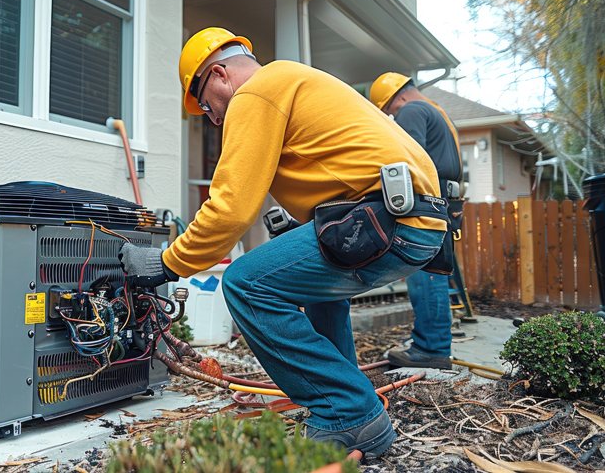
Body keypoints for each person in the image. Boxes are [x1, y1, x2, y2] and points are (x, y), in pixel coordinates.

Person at [118, 27, 449, 458]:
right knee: (318, 293)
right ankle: (347, 395)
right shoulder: (291, 80)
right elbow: (338, 168)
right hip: (413, 220)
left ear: (219, 75)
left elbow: (231, 208)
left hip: (387, 221)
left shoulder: (256, 93)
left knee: (244, 284)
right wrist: (299, 221)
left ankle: (349, 413)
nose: (211, 117)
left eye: (204, 104)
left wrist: (168, 263)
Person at [369, 73, 464, 370]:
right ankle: (432, 344)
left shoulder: (412, 110)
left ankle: (430, 349)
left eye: (391, 111)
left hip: (427, 201)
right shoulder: (436, 110)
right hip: (445, 200)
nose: (394, 115)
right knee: (435, 272)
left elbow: (408, 158)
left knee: (426, 274)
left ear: (398, 98)